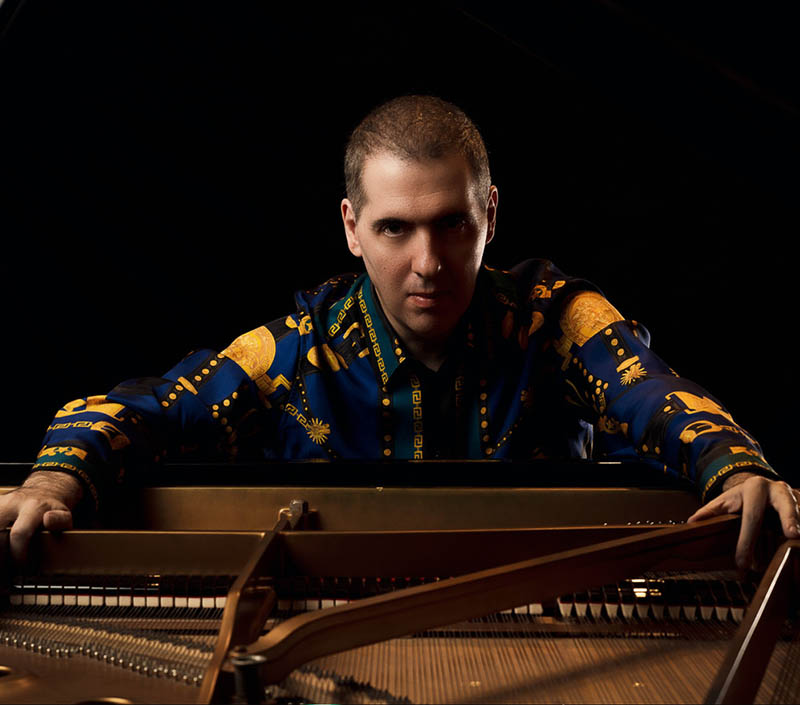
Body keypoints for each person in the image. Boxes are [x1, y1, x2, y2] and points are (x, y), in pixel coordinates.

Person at [2, 95, 798, 571]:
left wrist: (737, 468)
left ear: (490, 214)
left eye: (452, 224)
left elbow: (653, 393)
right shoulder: (294, 350)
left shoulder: (553, 318)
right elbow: (145, 409)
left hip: (549, 619)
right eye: (394, 229)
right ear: (352, 228)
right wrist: (50, 485)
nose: (428, 263)